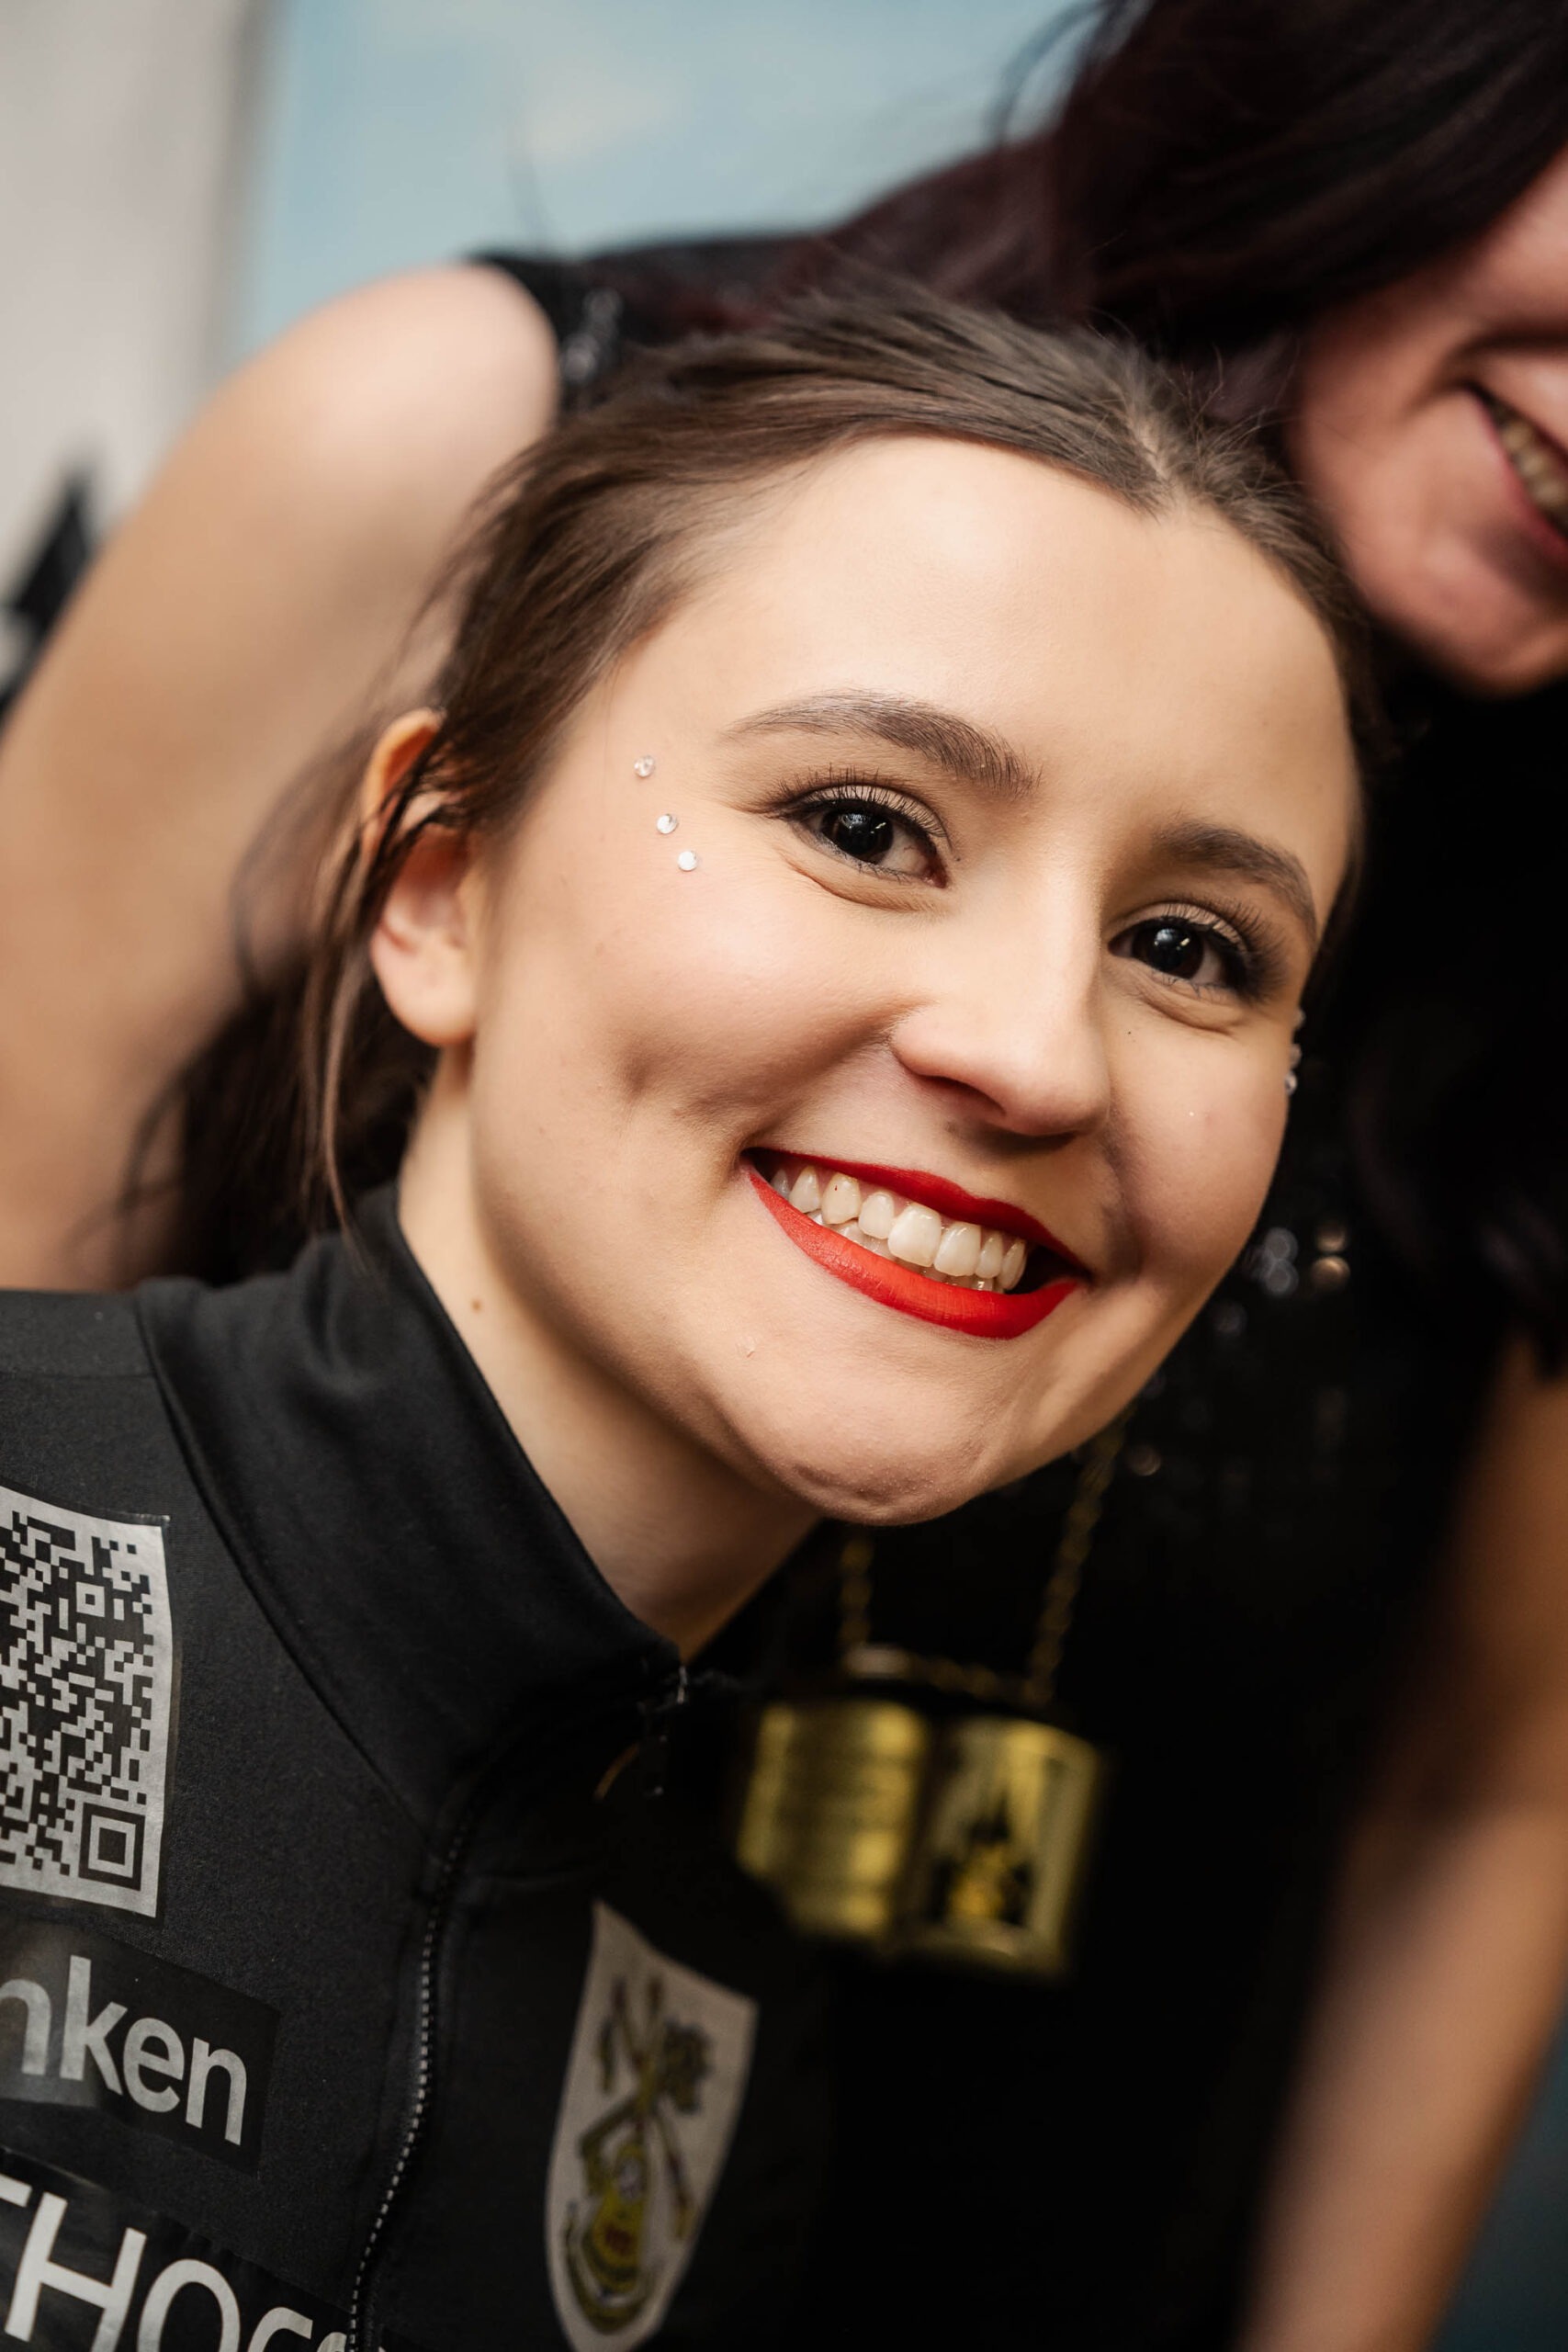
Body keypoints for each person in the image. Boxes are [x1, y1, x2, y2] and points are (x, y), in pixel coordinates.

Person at [1, 1, 1565, 2342]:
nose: (1028, 1048)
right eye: (859, 825)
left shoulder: (705, 2041)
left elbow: (1486, 1784)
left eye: (1192, 950)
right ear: (435, 876)